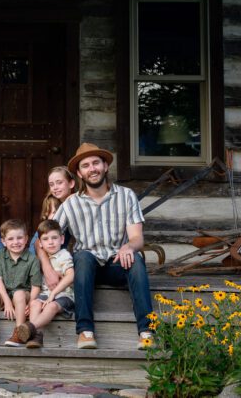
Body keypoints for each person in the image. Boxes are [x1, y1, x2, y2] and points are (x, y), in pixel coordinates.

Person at [52, 142, 153, 351]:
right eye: (86, 165)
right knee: (81, 256)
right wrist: (47, 268)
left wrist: (129, 247)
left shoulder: (126, 196)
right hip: (86, 269)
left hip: (117, 262)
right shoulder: (70, 204)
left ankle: (146, 332)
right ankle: (85, 332)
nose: (92, 169)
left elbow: (137, 237)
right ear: (79, 173)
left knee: (137, 259)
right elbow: (43, 237)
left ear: (105, 166)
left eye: (96, 163)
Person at [0, 218, 41, 348]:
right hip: (5, 295)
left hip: (23, 296)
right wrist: (6, 301)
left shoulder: (32, 259)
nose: (16, 242)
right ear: (3, 241)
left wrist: (30, 302)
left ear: (26, 239)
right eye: (11, 239)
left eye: (19, 238)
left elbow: (36, 286)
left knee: (19, 294)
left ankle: (19, 332)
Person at [16, 219, 75, 348]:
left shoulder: (63, 255)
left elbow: (71, 275)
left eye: (54, 238)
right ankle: (36, 337)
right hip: (45, 294)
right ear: (40, 243)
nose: (51, 242)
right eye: (46, 239)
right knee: (35, 303)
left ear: (62, 239)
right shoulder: (39, 260)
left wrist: (53, 294)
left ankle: (30, 327)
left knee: (51, 306)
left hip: (65, 295)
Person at [33, 165, 78, 290]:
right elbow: (38, 241)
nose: (55, 187)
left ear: (71, 183)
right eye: (51, 184)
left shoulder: (74, 201)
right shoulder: (54, 201)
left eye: (59, 183)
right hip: (44, 250)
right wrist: (48, 270)